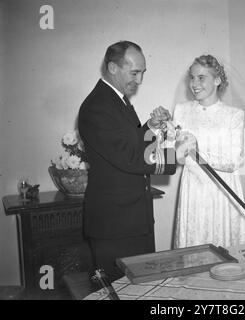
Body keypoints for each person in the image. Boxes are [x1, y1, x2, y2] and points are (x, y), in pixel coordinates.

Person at [78, 41, 176, 282]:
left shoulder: (117, 100)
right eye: (134, 73)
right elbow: (130, 157)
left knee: (141, 290)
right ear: (113, 67)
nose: (140, 80)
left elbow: (131, 143)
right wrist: (174, 155)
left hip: (131, 219)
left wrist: (151, 128)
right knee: (122, 291)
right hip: (114, 226)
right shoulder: (97, 107)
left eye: (143, 72)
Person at [172, 54, 245, 249]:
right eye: (192, 77)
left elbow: (233, 162)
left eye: (201, 77)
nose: (194, 83)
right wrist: (164, 134)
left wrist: (199, 151)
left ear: (217, 80)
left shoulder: (234, 115)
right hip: (193, 190)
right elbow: (176, 157)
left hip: (222, 189)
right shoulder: (181, 111)